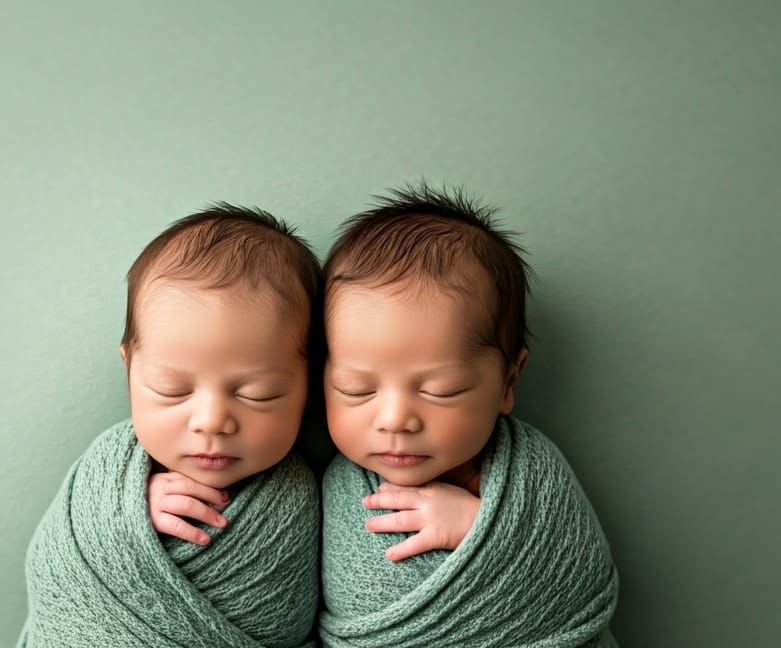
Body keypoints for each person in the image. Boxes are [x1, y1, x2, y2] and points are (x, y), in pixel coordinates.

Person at [320, 182, 533, 561]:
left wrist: (482, 528)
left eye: (441, 390)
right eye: (356, 389)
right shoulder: (325, 486)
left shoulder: (530, 476)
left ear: (508, 385)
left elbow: (578, 570)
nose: (395, 420)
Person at [120, 203, 323, 545]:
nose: (211, 422)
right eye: (172, 389)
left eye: (258, 393)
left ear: (311, 381)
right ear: (128, 368)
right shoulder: (114, 480)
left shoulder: (307, 498)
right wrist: (128, 508)